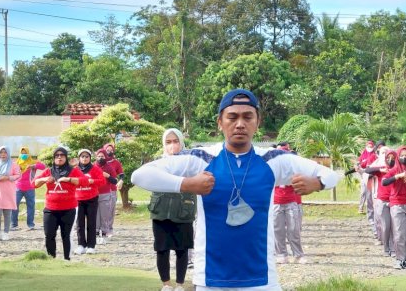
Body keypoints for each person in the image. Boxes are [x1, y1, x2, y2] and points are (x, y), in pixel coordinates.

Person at [131, 88, 339, 291]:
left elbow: (330, 175)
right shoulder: (201, 158)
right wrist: (186, 184)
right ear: (220, 123)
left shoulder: (273, 159)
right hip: (211, 277)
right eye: (232, 117)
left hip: (262, 278)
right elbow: (140, 176)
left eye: (248, 117)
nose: (240, 124)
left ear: (258, 122)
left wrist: (317, 184)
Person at [141, 128, 196, 291]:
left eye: (175, 141)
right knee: (162, 249)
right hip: (161, 211)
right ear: (163, 144)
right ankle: (166, 284)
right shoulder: (157, 163)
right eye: (168, 142)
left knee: (182, 249)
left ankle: (179, 284)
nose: (172, 145)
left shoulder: (190, 163)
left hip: (183, 211)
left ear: (181, 142)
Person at [33, 147, 88, 260]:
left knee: (66, 235)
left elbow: (84, 181)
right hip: (50, 209)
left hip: (68, 209)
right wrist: (45, 179)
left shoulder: (73, 170)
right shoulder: (48, 171)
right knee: (49, 235)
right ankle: (51, 259)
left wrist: (68, 179)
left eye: (62, 155)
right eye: (57, 155)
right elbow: (34, 183)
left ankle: (66, 259)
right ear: (54, 158)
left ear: (66, 157)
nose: (59, 157)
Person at [273, 142, 306, 265]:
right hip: (276, 202)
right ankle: (281, 254)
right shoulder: (272, 168)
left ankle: (298, 254)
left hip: (291, 201)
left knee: (294, 229)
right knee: (278, 229)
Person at [74, 149, 104, 255]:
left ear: (90, 158)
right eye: (82, 156)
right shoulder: (75, 169)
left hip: (92, 199)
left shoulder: (95, 169)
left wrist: (93, 181)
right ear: (79, 158)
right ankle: (81, 245)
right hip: (78, 200)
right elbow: (70, 181)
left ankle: (91, 246)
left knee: (91, 223)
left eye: (87, 156)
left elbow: (102, 181)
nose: (85, 158)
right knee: (79, 224)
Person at [367, 148, 395, 256]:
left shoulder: (397, 170)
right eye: (388, 157)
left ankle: (393, 249)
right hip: (382, 200)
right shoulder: (381, 169)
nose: (390, 160)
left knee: (394, 227)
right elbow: (367, 170)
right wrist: (379, 170)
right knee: (386, 226)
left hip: (394, 201)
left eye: (393, 158)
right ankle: (386, 248)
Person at [12, 147, 45, 231]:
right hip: (17, 188)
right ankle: (13, 224)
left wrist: (33, 166)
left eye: (25, 153)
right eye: (22, 153)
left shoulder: (32, 162)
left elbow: (43, 166)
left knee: (31, 206)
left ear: (28, 154)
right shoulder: (16, 163)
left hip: (30, 188)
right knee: (14, 205)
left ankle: (30, 224)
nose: (23, 155)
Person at [95, 149, 118, 241]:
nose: (100, 158)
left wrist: (107, 176)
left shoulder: (109, 168)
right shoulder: (93, 167)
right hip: (94, 194)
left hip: (105, 194)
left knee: (105, 214)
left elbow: (115, 181)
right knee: (95, 214)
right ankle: (96, 231)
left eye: (102, 156)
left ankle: (105, 231)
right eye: (99, 156)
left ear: (105, 157)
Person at [103, 143, 124, 238]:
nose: (109, 151)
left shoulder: (116, 162)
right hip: (100, 190)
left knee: (110, 210)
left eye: (111, 150)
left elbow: (121, 175)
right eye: (107, 150)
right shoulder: (98, 163)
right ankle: (100, 229)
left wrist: (121, 181)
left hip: (112, 189)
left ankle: (109, 229)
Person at [356, 140, 376, 219]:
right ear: (366, 146)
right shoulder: (363, 154)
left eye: (371, 147)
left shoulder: (374, 155)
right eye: (368, 146)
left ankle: (371, 209)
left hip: (372, 176)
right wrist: (359, 169)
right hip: (363, 175)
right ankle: (360, 208)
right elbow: (358, 163)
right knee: (363, 192)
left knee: (370, 193)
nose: (369, 148)